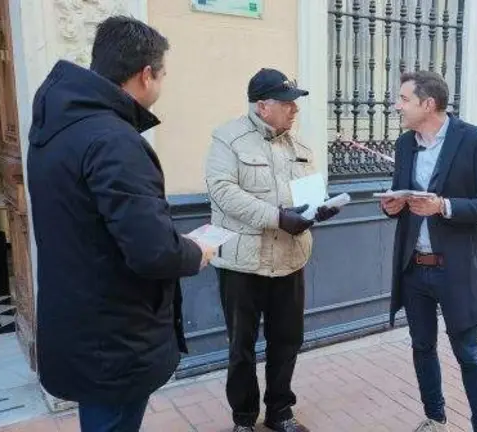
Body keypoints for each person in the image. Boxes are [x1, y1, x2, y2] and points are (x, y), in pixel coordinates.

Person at [27, 16, 214, 431]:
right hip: (114, 336)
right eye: (162, 75)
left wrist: (169, 241)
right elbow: (153, 251)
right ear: (146, 75)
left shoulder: (59, 127)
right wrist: (195, 251)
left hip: (81, 321)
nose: (162, 84)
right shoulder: (114, 139)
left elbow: (100, 227)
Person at [205, 68, 339, 432]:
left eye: (295, 103)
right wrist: (278, 217)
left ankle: (280, 412)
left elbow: (310, 193)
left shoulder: (300, 147)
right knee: (241, 346)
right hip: (243, 264)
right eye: (287, 103)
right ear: (263, 106)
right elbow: (223, 192)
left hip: (290, 261)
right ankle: (244, 418)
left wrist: (318, 210)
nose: (295, 110)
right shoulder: (228, 139)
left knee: (287, 341)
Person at [381, 70, 477, 432]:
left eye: (404, 99)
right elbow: (400, 194)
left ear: (428, 104)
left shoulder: (476, 140)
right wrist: (391, 206)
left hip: (455, 269)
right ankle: (435, 419)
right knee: (422, 347)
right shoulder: (405, 144)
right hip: (414, 267)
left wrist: (443, 206)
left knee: (469, 353)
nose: (397, 106)